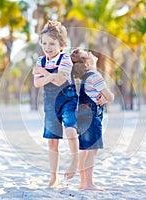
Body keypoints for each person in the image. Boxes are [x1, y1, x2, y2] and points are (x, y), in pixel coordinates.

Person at [32, 20, 79, 187]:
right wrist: (50, 75)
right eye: (44, 43)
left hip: (67, 100)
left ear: (61, 45)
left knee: (70, 129)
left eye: (52, 43)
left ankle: (75, 160)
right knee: (52, 140)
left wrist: (46, 75)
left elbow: (60, 80)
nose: (47, 47)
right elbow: (37, 84)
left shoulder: (65, 58)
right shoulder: (41, 60)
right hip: (50, 104)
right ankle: (54, 176)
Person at [71, 48, 114, 191]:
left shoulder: (85, 78)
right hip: (91, 116)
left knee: (85, 150)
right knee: (92, 150)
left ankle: (83, 183)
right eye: (87, 54)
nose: (90, 52)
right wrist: (106, 98)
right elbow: (111, 97)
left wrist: (103, 98)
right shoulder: (95, 76)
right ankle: (88, 184)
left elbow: (99, 96)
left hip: (82, 115)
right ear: (87, 65)